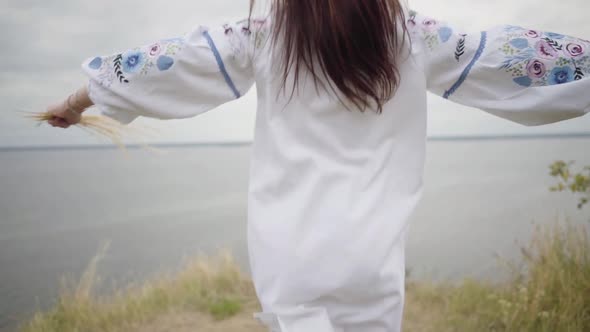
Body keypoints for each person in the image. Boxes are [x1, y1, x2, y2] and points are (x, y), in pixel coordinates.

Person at [46, 1, 590, 331]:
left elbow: (155, 67)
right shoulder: (413, 34)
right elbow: (518, 56)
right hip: (371, 266)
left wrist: (74, 104)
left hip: (293, 263)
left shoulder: (260, 33)